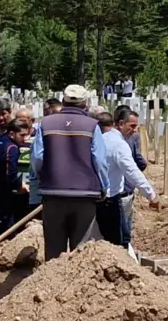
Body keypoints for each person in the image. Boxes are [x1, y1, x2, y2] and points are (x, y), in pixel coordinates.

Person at [30, 85, 110, 259]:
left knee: (53, 248)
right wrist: (104, 186)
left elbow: (37, 157)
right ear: (85, 104)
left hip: (53, 192)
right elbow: (100, 160)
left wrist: (41, 176)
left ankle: (53, 284)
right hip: (85, 192)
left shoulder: (46, 123)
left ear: (63, 101)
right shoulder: (92, 125)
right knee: (81, 251)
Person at [95, 108, 158, 248]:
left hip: (99, 199)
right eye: (132, 126)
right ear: (121, 123)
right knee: (116, 244)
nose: (135, 130)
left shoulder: (102, 139)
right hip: (110, 201)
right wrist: (151, 194)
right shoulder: (118, 144)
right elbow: (132, 171)